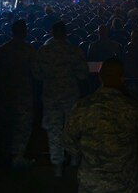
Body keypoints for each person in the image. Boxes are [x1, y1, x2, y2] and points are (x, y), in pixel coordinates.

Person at [63, 58, 138, 193]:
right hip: (125, 182)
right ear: (122, 78)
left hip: (91, 182)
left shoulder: (82, 106)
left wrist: (86, 155)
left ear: (100, 76)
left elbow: (67, 141)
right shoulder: (133, 107)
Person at [32, 21, 89, 176]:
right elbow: (83, 75)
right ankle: (74, 159)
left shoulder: (43, 51)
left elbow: (36, 75)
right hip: (70, 96)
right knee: (72, 127)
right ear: (66, 34)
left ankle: (57, 165)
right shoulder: (74, 51)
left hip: (50, 96)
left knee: (54, 131)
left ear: (52, 33)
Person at [0, 20, 37, 168]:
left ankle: (4, 155)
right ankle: (18, 156)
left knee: (6, 125)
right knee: (23, 126)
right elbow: (36, 73)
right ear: (25, 32)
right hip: (23, 93)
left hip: (5, 92)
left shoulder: (1, 50)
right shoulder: (29, 50)